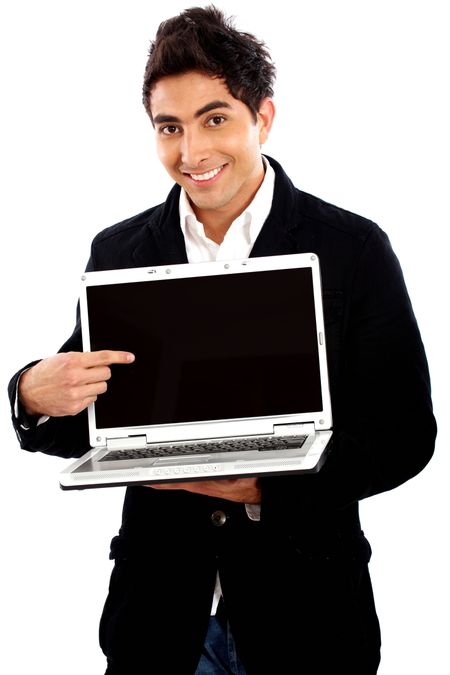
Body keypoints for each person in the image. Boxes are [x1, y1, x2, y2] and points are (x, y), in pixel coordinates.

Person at [8, 6, 436, 675]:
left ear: (262, 118)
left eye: (215, 119)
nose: (192, 152)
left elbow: (404, 434)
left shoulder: (352, 249)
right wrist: (32, 391)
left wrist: (265, 485)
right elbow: (92, 416)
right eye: (169, 127)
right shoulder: (120, 250)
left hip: (308, 614)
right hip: (159, 619)